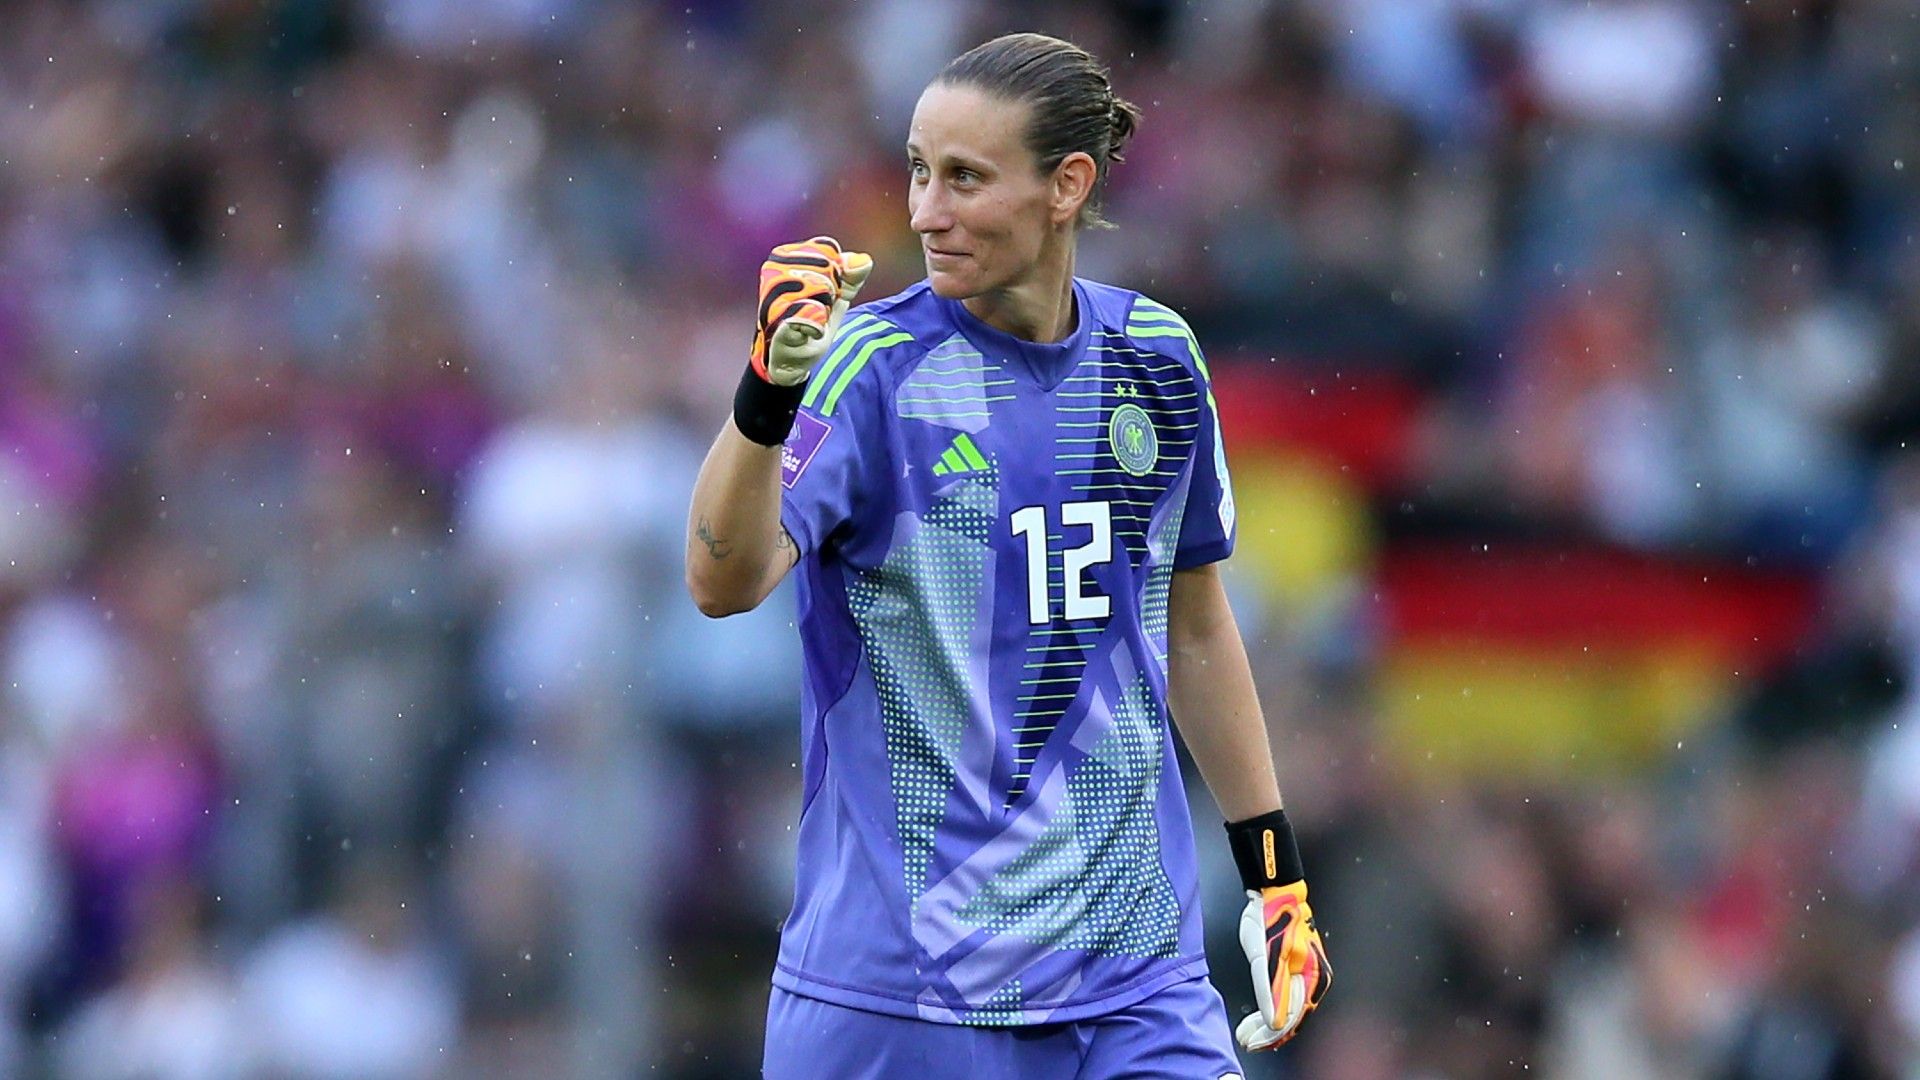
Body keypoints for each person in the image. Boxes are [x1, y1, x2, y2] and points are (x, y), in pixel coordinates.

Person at [685, 31, 1330, 1079]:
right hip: (902, 999)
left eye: (965, 179)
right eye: (918, 171)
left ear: (1066, 186)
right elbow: (721, 580)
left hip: (1135, 984)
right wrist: (765, 391)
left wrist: (1276, 877)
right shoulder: (870, 373)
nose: (925, 212)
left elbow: (1194, 620)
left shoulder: (1156, 357)